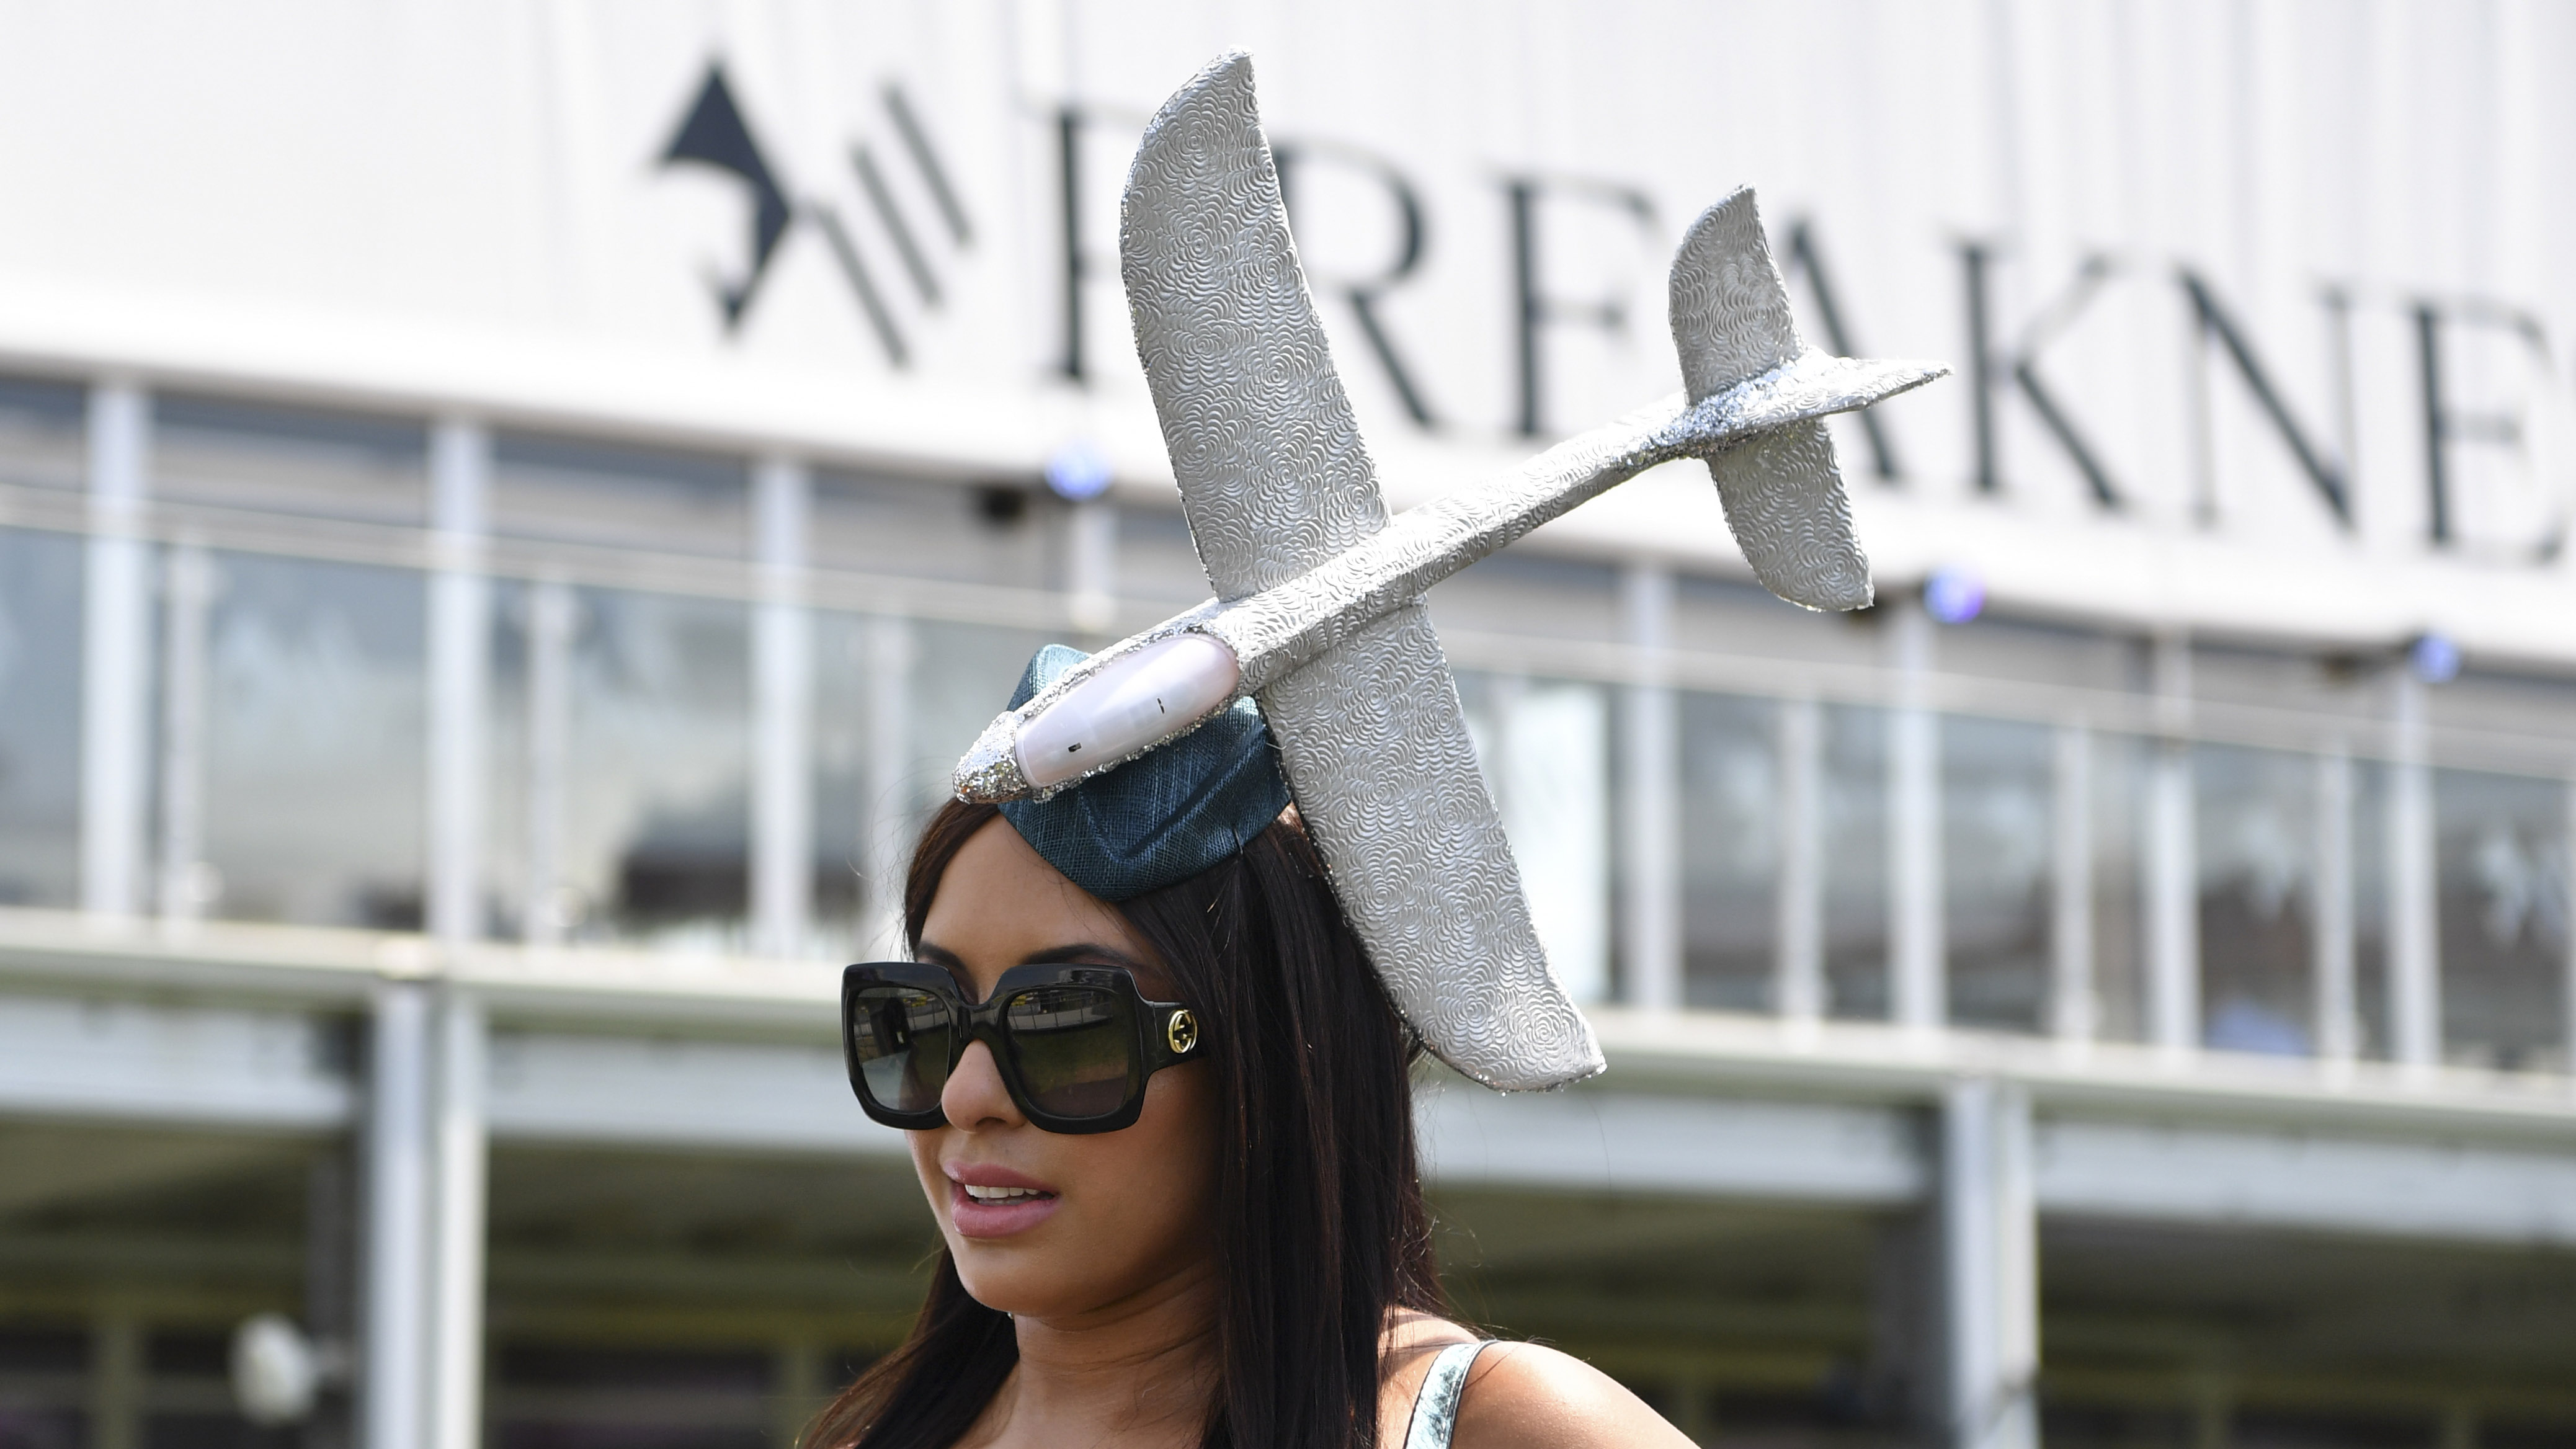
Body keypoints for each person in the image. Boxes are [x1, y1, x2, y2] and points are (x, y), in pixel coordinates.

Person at [809, 674, 1694, 1448]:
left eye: (1066, 1026)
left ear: (1264, 1057)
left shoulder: (1496, 1426)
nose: (966, 1098)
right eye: (923, 1020)